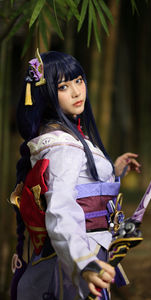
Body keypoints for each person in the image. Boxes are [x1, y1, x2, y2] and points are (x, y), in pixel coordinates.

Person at [10, 49, 141, 300]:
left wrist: (112, 170)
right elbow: (60, 208)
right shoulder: (61, 145)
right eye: (63, 86)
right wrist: (84, 262)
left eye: (79, 80)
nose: (76, 91)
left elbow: (82, 183)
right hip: (78, 251)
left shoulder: (68, 136)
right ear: (47, 95)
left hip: (86, 248)